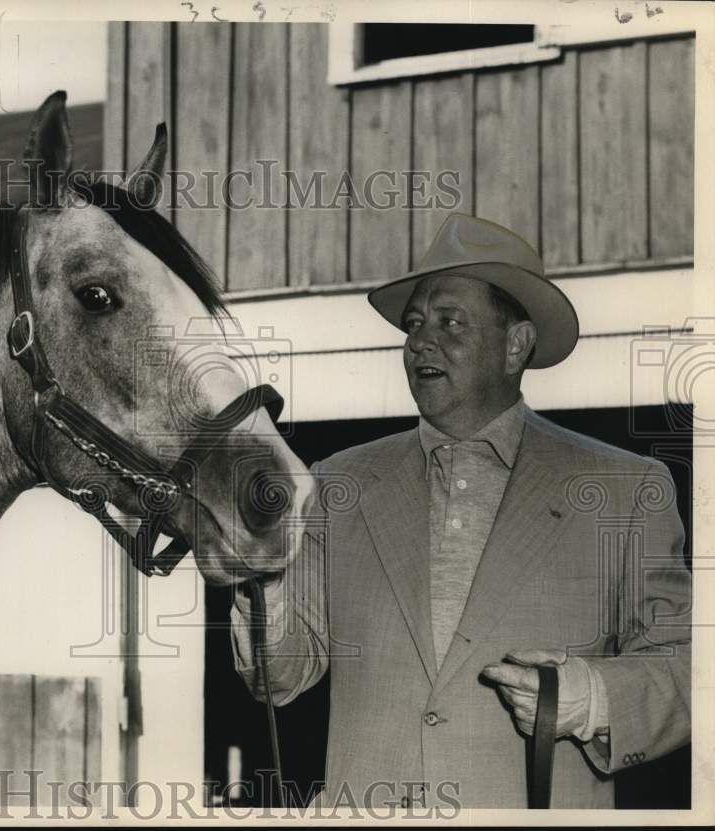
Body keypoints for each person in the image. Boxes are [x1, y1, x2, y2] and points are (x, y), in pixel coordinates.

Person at [231, 213, 691, 809]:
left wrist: (590, 697)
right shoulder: (336, 484)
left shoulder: (627, 490)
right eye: (415, 324)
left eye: (450, 322)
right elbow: (282, 677)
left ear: (516, 345)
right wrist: (261, 581)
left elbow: (689, 666)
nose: (421, 340)